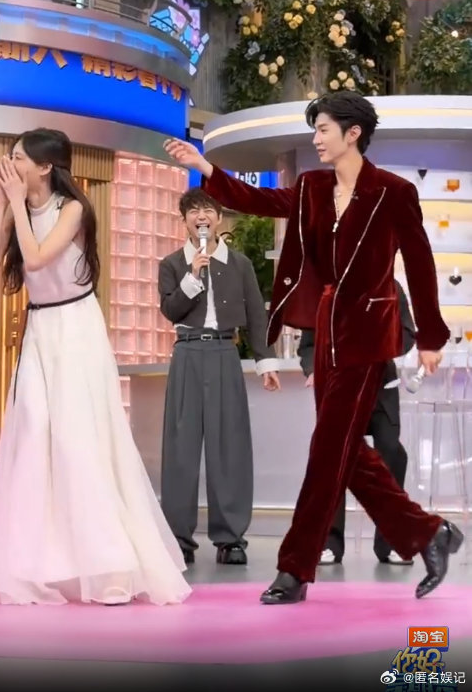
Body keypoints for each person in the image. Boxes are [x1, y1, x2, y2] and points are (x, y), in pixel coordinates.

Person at [163, 91, 463, 604]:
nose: (317, 139)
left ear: (353, 133)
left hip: (368, 334)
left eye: (323, 129)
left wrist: (431, 337)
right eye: (315, 129)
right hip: (324, 332)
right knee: (343, 450)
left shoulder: (394, 193)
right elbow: (259, 201)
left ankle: (294, 569)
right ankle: (429, 532)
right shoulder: (311, 187)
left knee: (327, 451)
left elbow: (418, 264)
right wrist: (206, 169)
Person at [0, 128, 191, 606]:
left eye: (19, 157)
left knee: (80, 439)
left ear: (45, 167)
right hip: (40, 332)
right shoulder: (17, 207)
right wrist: (2, 206)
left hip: (75, 329)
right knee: (33, 434)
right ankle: (40, 564)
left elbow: (37, 260)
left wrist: (16, 207)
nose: (11, 164)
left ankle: (110, 566)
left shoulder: (72, 208)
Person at [158, 188, 280, 565]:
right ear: (184, 221)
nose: (202, 217)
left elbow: (257, 315)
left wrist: (265, 362)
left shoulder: (239, 264)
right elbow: (170, 310)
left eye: (208, 210)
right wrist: (192, 276)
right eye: (194, 211)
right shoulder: (173, 264)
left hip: (226, 353)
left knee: (230, 446)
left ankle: (230, 539)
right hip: (187, 352)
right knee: (180, 448)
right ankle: (179, 538)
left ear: (219, 218)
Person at [298, 280, 415, 565]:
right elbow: (309, 345)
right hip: (338, 386)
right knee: (334, 459)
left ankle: (391, 542)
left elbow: (407, 333)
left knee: (392, 453)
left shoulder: (390, 286)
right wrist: (313, 369)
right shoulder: (323, 290)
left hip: (380, 386)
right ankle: (329, 542)